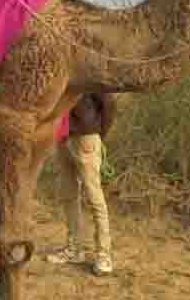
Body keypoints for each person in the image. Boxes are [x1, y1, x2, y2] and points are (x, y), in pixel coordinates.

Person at [46, 93, 118, 276]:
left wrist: (98, 133)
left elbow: (108, 102)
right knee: (68, 195)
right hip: (63, 137)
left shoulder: (92, 67)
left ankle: (104, 255)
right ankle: (74, 249)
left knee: (94, 198)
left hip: (86, 138)